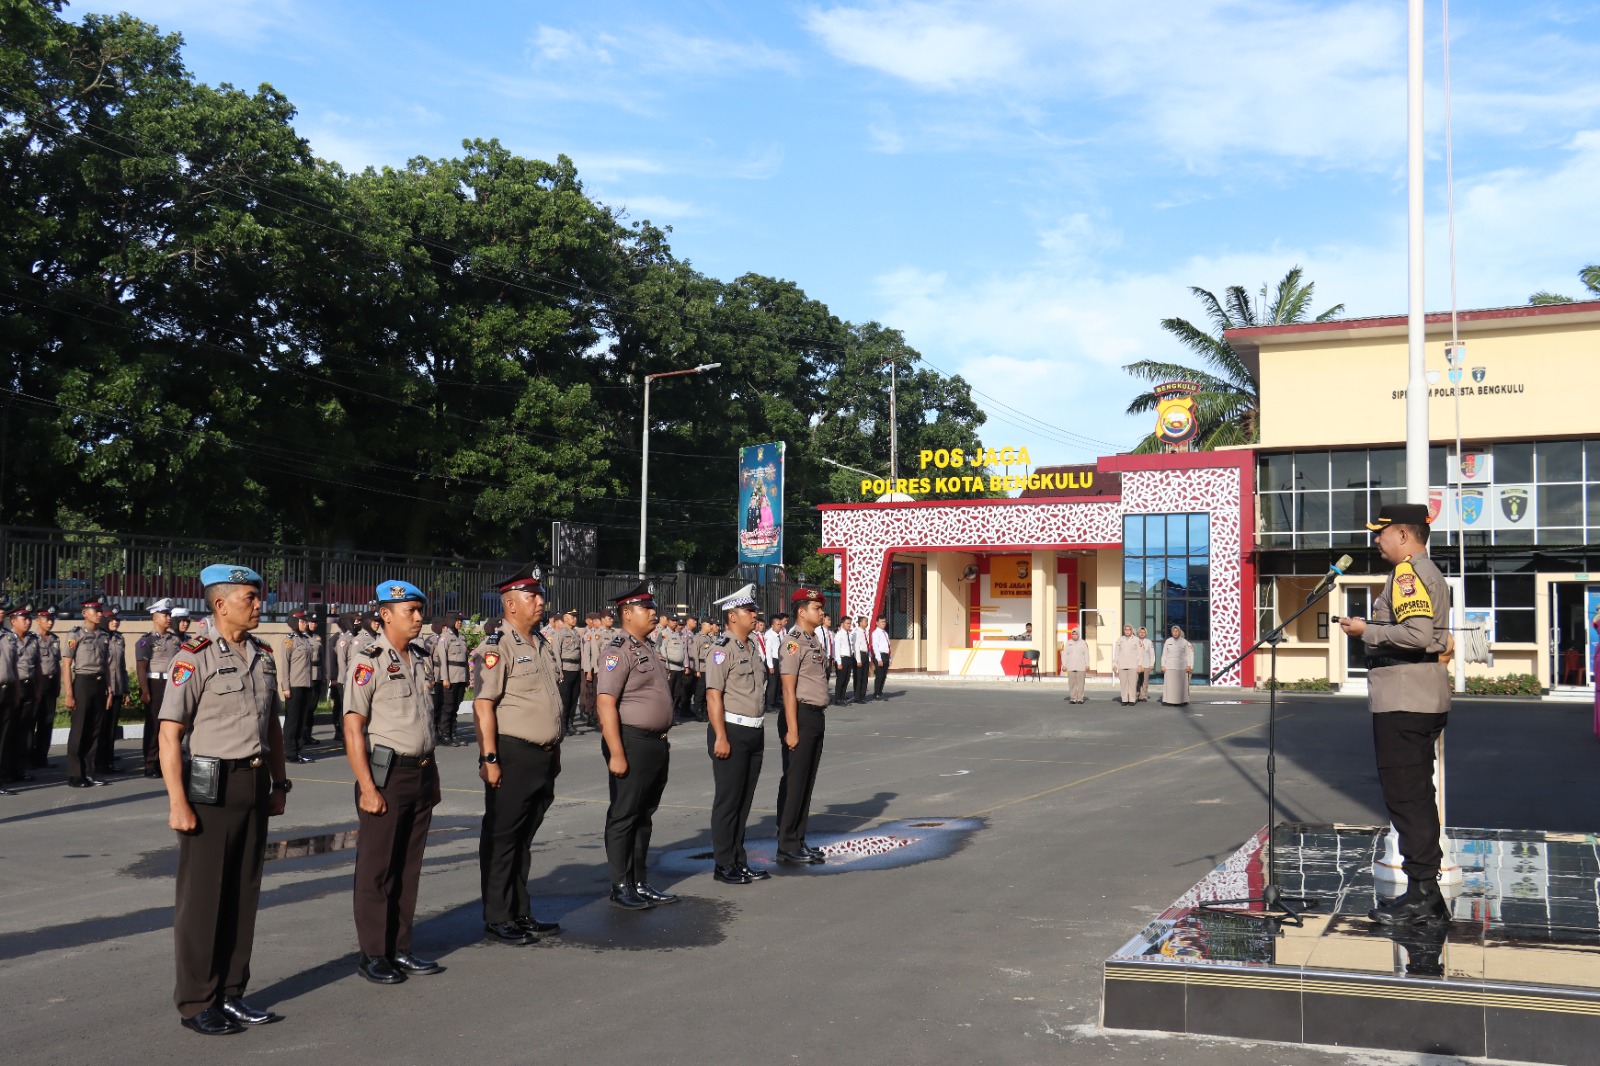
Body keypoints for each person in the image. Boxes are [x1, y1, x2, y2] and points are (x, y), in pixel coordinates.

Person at [157, 564, 288, 1036]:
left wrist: (280, 782)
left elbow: (270, 723)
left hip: (252, 783)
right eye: (250, 597)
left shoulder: (262, 653)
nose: (259, 604)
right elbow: (170, 734)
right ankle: (197, 1001)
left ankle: (232, 993)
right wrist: (177, 801)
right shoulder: (194, 656)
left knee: (242, 894)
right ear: (220, 603)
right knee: (204, 900)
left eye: (258, 597)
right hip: (210, 788)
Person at [1339, 503, 1452, 926]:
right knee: (1415, 796)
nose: (1376, 540)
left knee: (1407, 798)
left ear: (1403, 535)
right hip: (1418, 696)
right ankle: (1424, 891)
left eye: (1381, 532)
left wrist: (1364, 630)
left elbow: (1418, 634)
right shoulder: (1426, 572)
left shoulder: (1407, 573)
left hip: (1405, 700)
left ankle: (1424, 895)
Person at [343, 581, 445, 984]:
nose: (419, 618)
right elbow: (353, 727)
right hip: (386, 774)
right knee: (377, 868)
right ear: (386, 614)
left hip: (421, 770)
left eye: (421, 610)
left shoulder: (419, 656)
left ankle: (400, 947)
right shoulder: (367, 660)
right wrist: (367, 787)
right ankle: (373, 952)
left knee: (408, 865)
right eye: (410, 611)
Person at [475, 564, 566, 944]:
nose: (541, 601)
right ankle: (498, 916)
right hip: (513, 754)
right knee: (502, 837)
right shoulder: (497, 647)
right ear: (511, 604)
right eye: (533, 596)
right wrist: (490, 758)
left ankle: (519, 910)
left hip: (543, 757)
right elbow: (483, 705)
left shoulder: (540, 642)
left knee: (524, 838)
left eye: (540, 595)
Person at [595, 580, 677, 910]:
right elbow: (605, 703)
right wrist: (616, 752)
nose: (654, 613)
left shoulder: (647, 648)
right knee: (625, 815)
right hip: (631, 741)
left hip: (655, 743)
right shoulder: (618, 650)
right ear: (627, 613)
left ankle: (639, 881)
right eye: (647, 608)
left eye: (653, 607)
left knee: (644, 815)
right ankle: (620, 884)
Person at [703, 583, 771, 886]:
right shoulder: (721, 651)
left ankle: (738, 859)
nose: (754, 614)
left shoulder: (753, 646)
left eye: (753, 609)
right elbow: (713, 695)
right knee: (728, 801)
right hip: (731, 729)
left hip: (754, 729)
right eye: (749, 610)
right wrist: (720, 735)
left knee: (744, 801)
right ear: (732, 616)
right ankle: (723, 863)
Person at [775, 587, 832, 865]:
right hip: (799, 714)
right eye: (817, 608)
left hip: (815, 715)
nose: (821, 612)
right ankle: (787, 843)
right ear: (802, 611)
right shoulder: (793, 642)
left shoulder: (812, 640)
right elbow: (788, 688)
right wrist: (792, 728)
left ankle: (798, 839)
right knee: (795, 780)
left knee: (806, 781)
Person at [62, 598, 113, 788]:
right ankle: (75, 774)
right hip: (83, 682)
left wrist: (109, 689)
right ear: (85, 613)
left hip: (99, 683)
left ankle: (90, 772)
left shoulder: (103, 635)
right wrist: (69, 693)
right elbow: (66, 665)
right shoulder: (75, 634)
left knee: (95, 729)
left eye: (100, 611)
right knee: (80, 729)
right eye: (95, 611)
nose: (99, 614)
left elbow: (106, 665)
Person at [136, 599, 185, 778]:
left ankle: (165, 762)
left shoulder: (174, 639)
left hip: (171, 684)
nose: (168, 618)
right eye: (164, 615)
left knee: (170, 724)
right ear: (155, 618)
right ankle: (150, 763)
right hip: (155, 684)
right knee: (154, 725)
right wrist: (145, 690)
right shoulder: (146, 640)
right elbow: (141, 666)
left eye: (169, 615)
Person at [1, 606, 39, 789]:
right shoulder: (9, 638)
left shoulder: (25, 639)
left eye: (28, 618)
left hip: (20, 687)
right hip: (8, 689)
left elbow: (30, 667)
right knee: (7, 733)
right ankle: (6, 772)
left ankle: (16, 770)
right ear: (13, 620)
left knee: (20, 732)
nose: (28, 621)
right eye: (23, 618)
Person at [279, 612, 315, 764]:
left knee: (302, 720)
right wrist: (285, 687)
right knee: (292, 721)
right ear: (294, 622)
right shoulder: (289, 641)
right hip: (294, 685)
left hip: (306, 684)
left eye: (305, 621)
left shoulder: (306, 640)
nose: (305, 623)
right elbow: (284, 665)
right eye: (302, 621)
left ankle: (299, 751)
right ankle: (290, 752)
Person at [29, 607, 60, 770]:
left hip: (51, 682)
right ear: (38, 620)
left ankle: (42, 757)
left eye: (52, 619)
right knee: (30, 722)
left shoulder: (54, 639)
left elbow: (58, 664)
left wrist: (58, 684)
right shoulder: (32, 639)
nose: (50, 622)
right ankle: (28, 758)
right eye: (46, 619)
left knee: (47, 722)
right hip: (36, 684)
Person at [98, 609, 129, 774]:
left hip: (117, 688)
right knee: (101, 727)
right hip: (102, 690)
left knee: (111, 728)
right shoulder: (100, 638)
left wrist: (126, 689)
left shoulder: (119, 638)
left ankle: (108, 759)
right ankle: (99, 760)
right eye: (112, 619)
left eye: (117, 619)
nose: (115, 622)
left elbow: (122, 667)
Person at [552, 609, 583, 736]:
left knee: (574, 697)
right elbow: (556, 652)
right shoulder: (560, 633)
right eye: (572, 616)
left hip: (576, 668)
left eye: (576, 616)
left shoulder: (576, 632)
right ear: (565, 618)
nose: (575, 619)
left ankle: (570, 724)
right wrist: (559, 669)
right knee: (565, 698)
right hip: (565, 668)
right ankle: (563, 726)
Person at [659, 615, 689, 722]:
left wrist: (685, 665)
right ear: (667, 622)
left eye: (676, 621)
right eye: (673, 621)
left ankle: (672, 714)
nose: (675, 623)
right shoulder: (664, 634)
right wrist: (666, 665)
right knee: (669, 692)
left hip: (679, 668)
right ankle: (666, 716)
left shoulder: (678, 635)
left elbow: (683, 651)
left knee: (677, 693)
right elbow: (662, 650)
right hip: (670, 667)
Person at [1160, 626, 1194, 706]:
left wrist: (1189, 666)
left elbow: (1188, 655)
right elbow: (1164, 654)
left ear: (1179, 632)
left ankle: (1181, 701)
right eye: (1173, 631)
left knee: (1180, 686)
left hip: (1181, 666)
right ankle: (1171, 701)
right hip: (1170, 666)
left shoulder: (1184, 642)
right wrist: (1162, 665)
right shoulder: (1168, 641)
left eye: (1176, 631)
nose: (1175, 633)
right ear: (1171, 632)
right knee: (1171, 686)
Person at [1112, 624, 1140, 706]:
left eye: (1129, 630)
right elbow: (1116, 653)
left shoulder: (1136, 640)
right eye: (1126, 630)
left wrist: (1140, 665)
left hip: (1133, 665)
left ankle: (1132, 699)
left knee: (1132, 683)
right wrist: (1115, 664)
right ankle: (1124, 699)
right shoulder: (1120, 640)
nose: (1127, 631)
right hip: (1122, 665)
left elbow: (1139, 653)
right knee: (1123, 683)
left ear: (1131, 630)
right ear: (1124, 631)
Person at [1062, 626, 1089, 704]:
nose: (1074, 635)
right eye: (1073, 634)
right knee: (1072, 684)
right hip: (1071, 666)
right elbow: (1065, 654)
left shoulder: (1083, 643)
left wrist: (1087, 664)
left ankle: (1080, 698)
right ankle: (1073, 698)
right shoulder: (1068, 643)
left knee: (1081, 684)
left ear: (1078, 634)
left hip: (1081, 666)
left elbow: (1086, 654)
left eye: (1076, 634)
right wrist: (1064, 665)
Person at [832, 617, 853, 705]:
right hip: (842, 658)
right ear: (842, 624)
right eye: (847, 623)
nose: (849, 625)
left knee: (846, 679)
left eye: (850, 623)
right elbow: (837, 649)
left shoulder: (849, 635)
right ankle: (837, 699)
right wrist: (839, 662)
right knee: (841, 679)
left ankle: (843, 697)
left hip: (849, 658)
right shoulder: (839, 635)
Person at [870, 616, 892, 699]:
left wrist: (890, 658)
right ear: (877, 623)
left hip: (886, 655)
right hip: (880, 655)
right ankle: (876, 693)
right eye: (882, 621)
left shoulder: (885, 633)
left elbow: (888, 646)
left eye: (884, 621)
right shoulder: (876, 633)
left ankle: (880, 692)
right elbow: (875, 646)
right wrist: (879, 659)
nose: (883, 623)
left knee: (884, 675)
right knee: (879, 675)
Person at [851, 615, 871, 704]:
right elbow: (856, 647)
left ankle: (863, 696)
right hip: (860, 655)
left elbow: (868, 646)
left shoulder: (865, 632)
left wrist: (869, 658)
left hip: (865, 655)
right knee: (858, 677)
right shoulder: (857, 632)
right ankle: (857, 697)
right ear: (860, 622)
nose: (867, 623)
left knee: (864, 677)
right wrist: (858, 660)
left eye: (867, 621)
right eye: (865, 621)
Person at [1136, 626, 1155, 702]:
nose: (1142, 634)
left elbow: (1152, 654)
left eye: (1143, 632)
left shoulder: (1149, 642)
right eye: (1140, 632)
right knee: (1137, 680)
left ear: (1146, 633)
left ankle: (1143, 696)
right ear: (1138, 633)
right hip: (1137, 664)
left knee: (1144, 681)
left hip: (1146, 664)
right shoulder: (1136, 641)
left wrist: (1152, 664)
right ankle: (1137, 695)